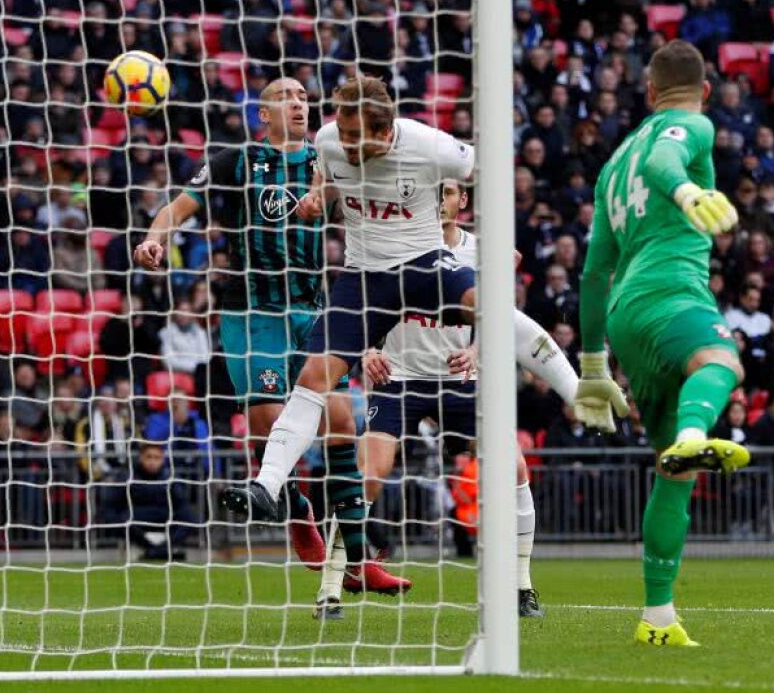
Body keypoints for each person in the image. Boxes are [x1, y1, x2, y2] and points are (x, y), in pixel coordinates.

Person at [219, 77, 590, 594]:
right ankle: (267, 486)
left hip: (422, 265)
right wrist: (317, 196)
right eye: (343, 132)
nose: (345, 143)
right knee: (315, 375)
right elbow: (328, 175)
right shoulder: (328, 142)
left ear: (386, 130)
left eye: (356, 136)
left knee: (487, 308)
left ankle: (579, 392)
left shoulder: (433, 147)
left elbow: (489, 170)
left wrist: (499, 243)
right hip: (364, 278)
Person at [315, 180, 572, 620]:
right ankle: (330, 589)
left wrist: (476, 351)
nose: (439, 200)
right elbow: (366, 308)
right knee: (369, 473)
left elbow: (499, 320)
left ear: (462, 200)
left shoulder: (482, 251)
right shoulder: (396, 246)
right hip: (400, 377)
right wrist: (369, 350)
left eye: (448, 192)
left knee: (512, 466)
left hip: (460, 380)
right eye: (432, 192)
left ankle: (521, 586)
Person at [132, 77, 352, 576]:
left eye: (301, 96)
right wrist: (153, 240)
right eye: (284, 97)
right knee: (267, 421)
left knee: (342, 422)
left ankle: (354, 542)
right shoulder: (237, 162)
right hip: (253, 310)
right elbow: (177, 207)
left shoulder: (327, 162)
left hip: (313, 308)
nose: (297, 102)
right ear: (263, 115)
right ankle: (298, 513)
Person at [575, 40, 750, 647]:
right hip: (670, 291)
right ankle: (696, 433)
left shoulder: (610, 164)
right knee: (720, 359)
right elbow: (662, 168)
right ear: (704, 91)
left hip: (623, 315)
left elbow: (594, 274)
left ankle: (658, 619)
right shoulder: (691, 124)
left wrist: (593, 366)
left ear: (647, 91)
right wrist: (689, 194)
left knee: (672, 476)